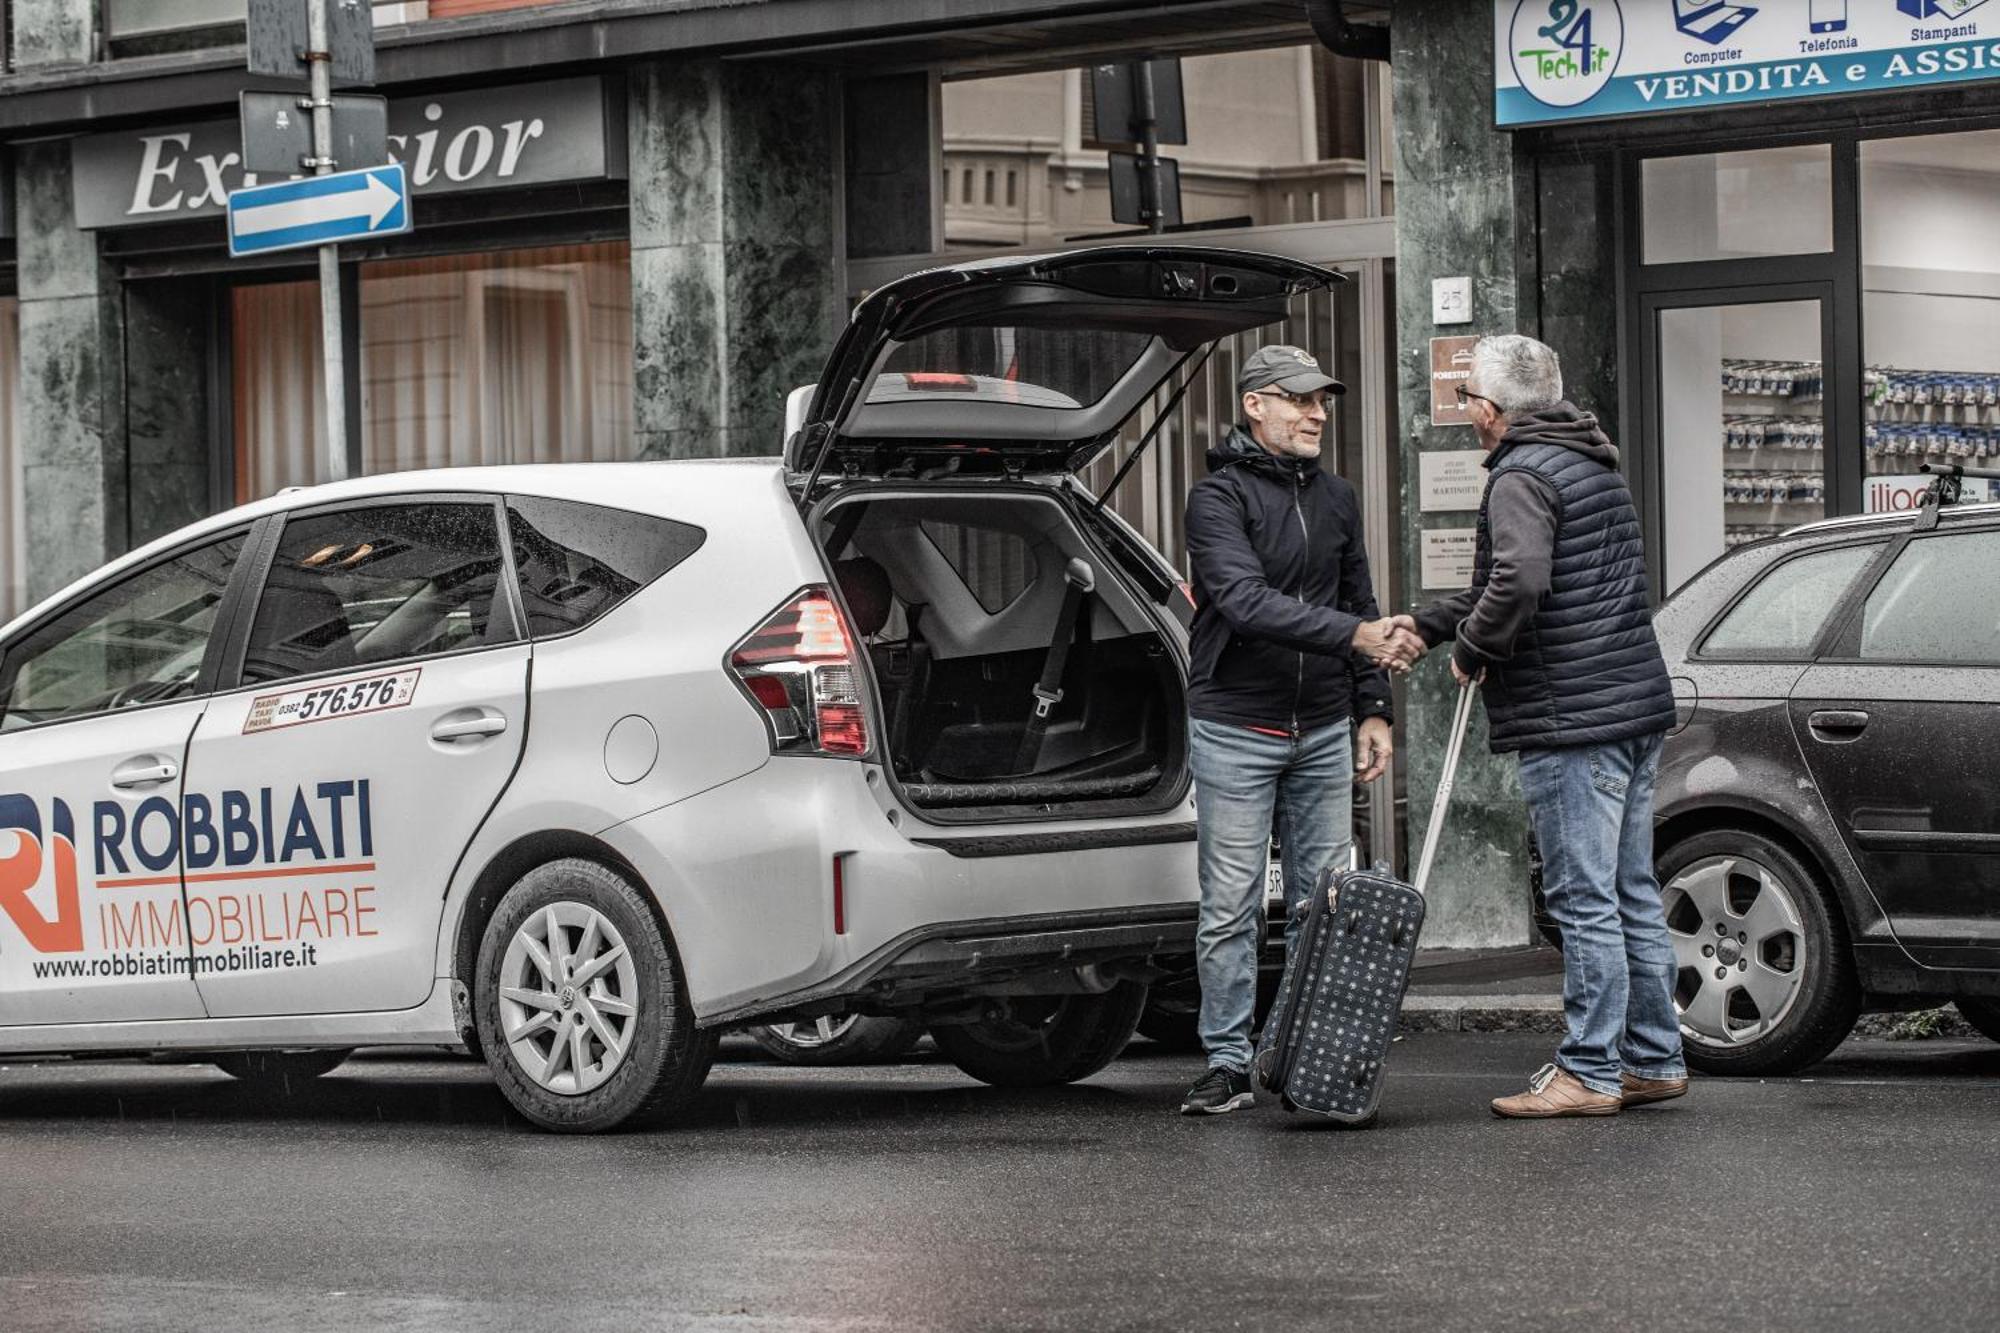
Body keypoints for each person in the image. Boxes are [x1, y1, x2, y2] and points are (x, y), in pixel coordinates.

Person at [1392, 334, 1686, 1119]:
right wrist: (1431, 624)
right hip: (1630, 705)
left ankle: (1589, 1069)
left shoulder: (1519, 476)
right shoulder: (1592, 463)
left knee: (1584, 898)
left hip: (1571, 718)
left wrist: (1475, 646)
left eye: (1468, 407)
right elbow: (1533, 582)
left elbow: (1518, 580)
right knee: (1630, 891)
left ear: (1486, 410)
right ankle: (1652, 1056)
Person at [1177, 344, 1419, 1116]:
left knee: (1328, 905)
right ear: (1255, 404)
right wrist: (1356, 639)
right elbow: (1244, 602)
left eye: (1322, 402)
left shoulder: (1338, 497)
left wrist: (1372, 707)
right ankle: (1225, 1060)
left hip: (1319, 728)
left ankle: (1316, 1058)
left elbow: (1362, 595)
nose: (1317, 414)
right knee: (1232, 905)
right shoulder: (1215, 499)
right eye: (1299, 400)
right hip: (1235, 724)